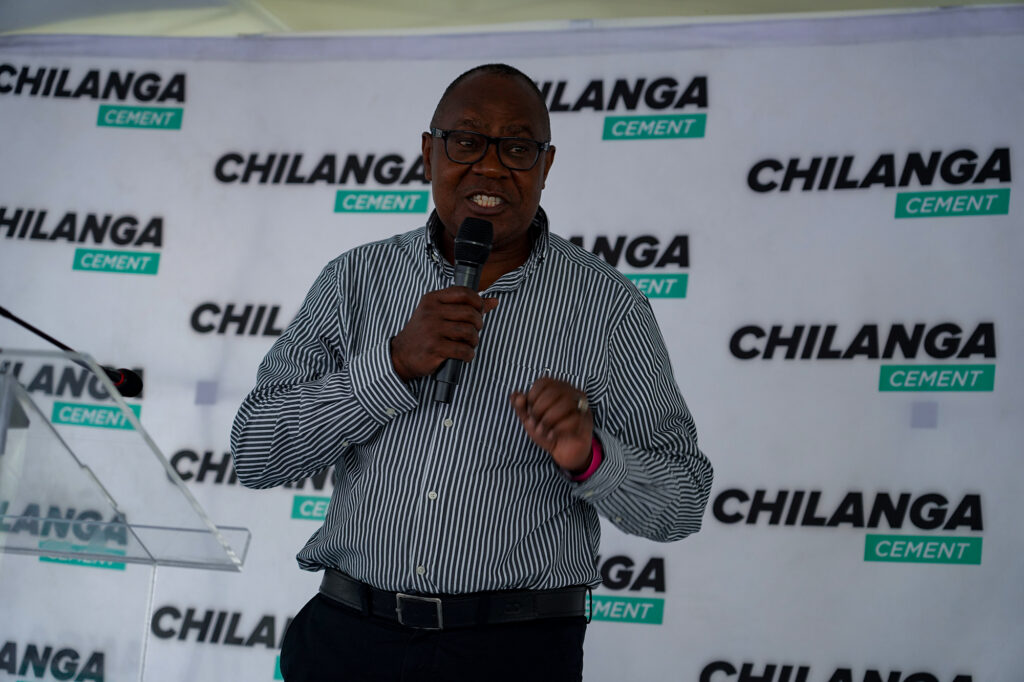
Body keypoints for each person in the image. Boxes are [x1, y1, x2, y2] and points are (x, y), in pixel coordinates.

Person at [231, 63, 712, 681]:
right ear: (428, 153)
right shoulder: (354, 279)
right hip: (347, 639)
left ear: (546, 165)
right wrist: (392, 364)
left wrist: (589, 456)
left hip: (511, 652)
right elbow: (257, 453)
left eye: (517, 148)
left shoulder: (608, 306)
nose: (490, 166)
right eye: (466, 141)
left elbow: (681, 505)